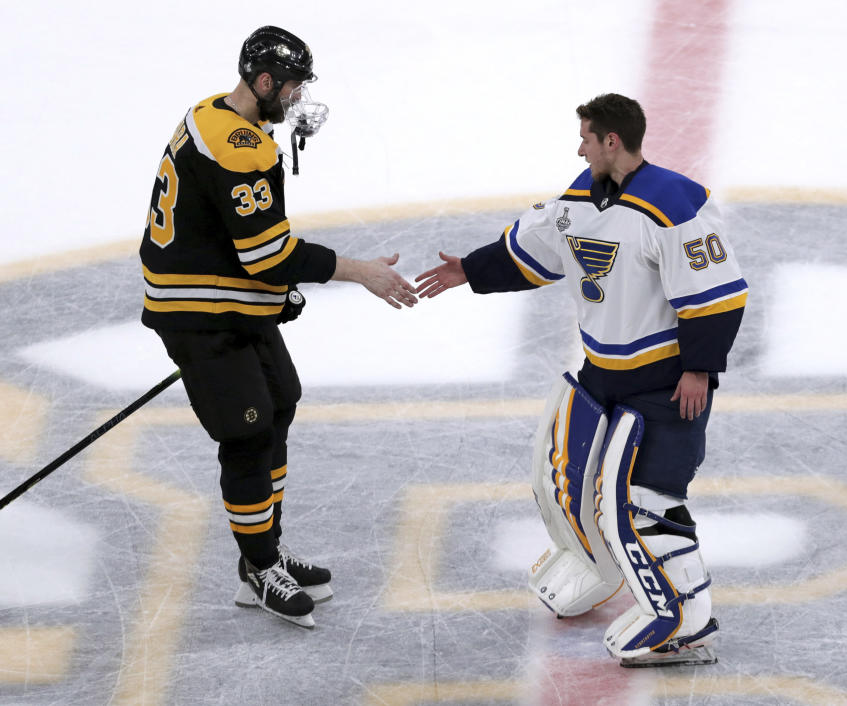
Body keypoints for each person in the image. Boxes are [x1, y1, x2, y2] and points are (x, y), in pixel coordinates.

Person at [415, 93, 747, 666]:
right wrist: (469, 269)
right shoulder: (581, 197)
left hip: (665, 383)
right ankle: (594, 567)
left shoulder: (674, 204)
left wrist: (699, 370)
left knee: (647, 505)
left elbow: (718, 295)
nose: (580, 146)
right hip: (602, 372)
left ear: (611, 142)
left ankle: (687, 620)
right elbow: (536, 247)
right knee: (563, 483)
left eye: (587, 137)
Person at [139, 26, 417, 628]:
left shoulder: (210, 114)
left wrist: (268, 290)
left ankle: (262, 548)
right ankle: (259, 568)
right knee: (247, 432)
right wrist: (359, 272)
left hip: (224, 296)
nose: (295, 99)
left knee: (280, 400)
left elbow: (224, 239)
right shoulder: (240, 150)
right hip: (198, 312)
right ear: (262, 82)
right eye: (290, 88)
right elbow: (267, 255)